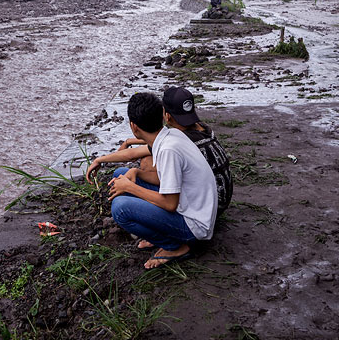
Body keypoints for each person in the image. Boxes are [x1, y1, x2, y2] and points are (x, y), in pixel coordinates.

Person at [88, 92, 218, 269]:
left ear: (134, 127)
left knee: (120, 208)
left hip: (194, 225)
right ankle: (164, 232)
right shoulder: (169, 135)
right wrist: (137, 173)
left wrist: (130, 187)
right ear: (162, 116)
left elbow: (170, 203)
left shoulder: (168, 150)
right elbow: (167, 179)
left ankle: (175, 246)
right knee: (121, 173)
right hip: (189, 206)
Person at [88, 87, 232, 217]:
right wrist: (130, 141)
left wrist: (101, 159)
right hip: (218, 198)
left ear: (166, 116)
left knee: (146, 162)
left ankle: (162, 222)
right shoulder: (202, 129)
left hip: (204, 207)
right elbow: (157, 138)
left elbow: (135, 153)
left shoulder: (176, 143)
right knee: (128, 170)